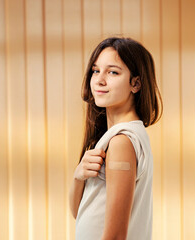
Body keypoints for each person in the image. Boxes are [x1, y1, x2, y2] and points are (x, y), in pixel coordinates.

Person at [69, 37, 163, 240]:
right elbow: (82, 213)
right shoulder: (118, 137)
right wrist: (78, 177)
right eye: (96, 70)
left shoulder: (121, 142)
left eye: (112, 72)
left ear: (135, 83)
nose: (100, 80)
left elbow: (116, 236)